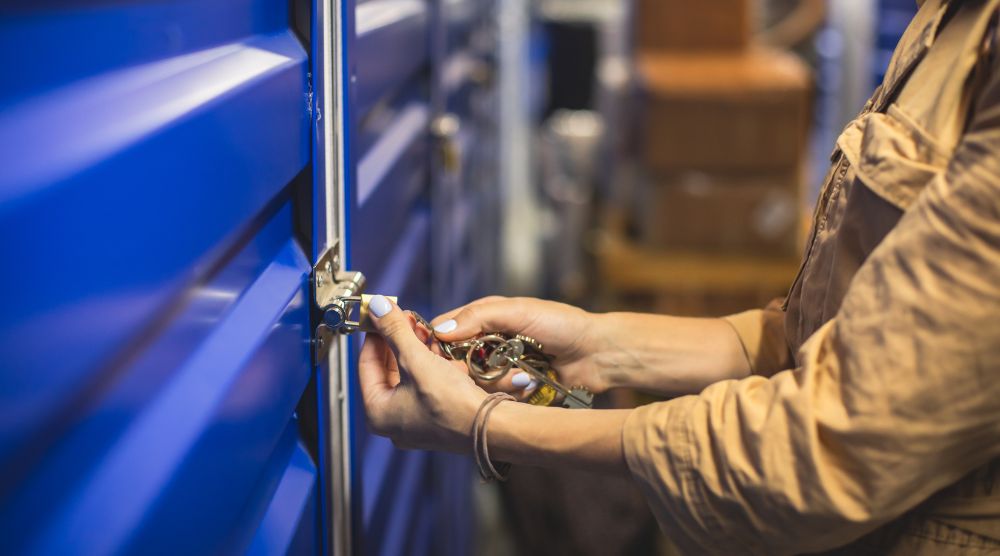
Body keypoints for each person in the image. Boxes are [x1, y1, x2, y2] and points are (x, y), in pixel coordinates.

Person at [358, 0, 1000, 553]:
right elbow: (820, 340)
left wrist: (491, 426)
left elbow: (836, 443)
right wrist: (600, 344)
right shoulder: (948, 24)